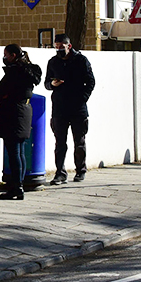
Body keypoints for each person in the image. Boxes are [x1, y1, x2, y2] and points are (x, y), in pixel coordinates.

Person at [44, 34, 95, 185]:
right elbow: (46, 83)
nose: (59, 50)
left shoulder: (81, 60)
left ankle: (80, 170)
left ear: (69, 46)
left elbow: (91, 81)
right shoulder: (53, 62)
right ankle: (60, 173)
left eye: (61, 47)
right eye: (56, 47)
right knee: (60, 143)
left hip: (78, 108)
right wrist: (53, 84)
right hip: (59, 108)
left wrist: (82, 98)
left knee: (79, 141)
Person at [0, 45, 42, 199]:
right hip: (25, 110)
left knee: (13, 151)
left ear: (13, 55)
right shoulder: (29, 72)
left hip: (12, 112)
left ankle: (16, 187)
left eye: (6, 55)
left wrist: (3, 96)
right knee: (19, 151)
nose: (5, 57)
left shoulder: (14, 72)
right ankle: (18, 184)